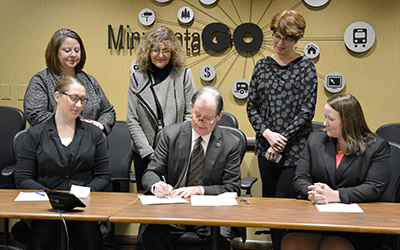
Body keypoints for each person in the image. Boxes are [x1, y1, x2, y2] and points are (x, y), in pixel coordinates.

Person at [281, 93, 391, 250]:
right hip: (315, 216)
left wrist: (336, 196)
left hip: (355, 221)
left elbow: (374, 188)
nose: (325, 123)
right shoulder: (315, 140)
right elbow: (300, 178)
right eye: (325, 117)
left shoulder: (377, 147)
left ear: (347, 121)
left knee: (335, 246)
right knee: (292, 243)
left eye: (330, 119)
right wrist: (311, 192)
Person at [246, 10, 318, 249]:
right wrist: (267, 135)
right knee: (269, 206)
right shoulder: (262, 66)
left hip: (295, 150)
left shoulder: (306, 67)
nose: (280, 43)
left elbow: (307, 112)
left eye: (286, 39)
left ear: (296, 39)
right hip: (265, 147)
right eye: (276, 36)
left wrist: (281, 140)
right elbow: (252, 107)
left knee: (285, 207)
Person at [15, 75, 112, 250]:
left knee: (91, 238)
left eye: (82, 100)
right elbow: (22, 177)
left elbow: (103, 176)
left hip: (83, 204)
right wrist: (52, 196)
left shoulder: (95, 134)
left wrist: (83, 192)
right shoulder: (36, 134)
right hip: (46, 206)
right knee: (43, 235)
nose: (79, 105)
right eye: (74, 98)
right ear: (57, 96)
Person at [139, 86, 241, 250]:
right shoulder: (170, 135)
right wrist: (156, 185)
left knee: (219, 237)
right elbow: (152, 172)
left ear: (219, 116)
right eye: (196, 115)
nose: (200, 122)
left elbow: (232, 187)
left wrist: (199, 190)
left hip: (210, 211)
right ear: (191, 109)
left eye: (207, 118)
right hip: (175, 207)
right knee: (153, 231)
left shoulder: (231, 144)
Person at [127, 24, 195, 191]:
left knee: (177, 198)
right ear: (147, 51)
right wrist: (148, 152)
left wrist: (178, 147)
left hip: (176, 153)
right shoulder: (137, 78)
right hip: (144, 153)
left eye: (166, 50)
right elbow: (132, 119)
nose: (161, 55)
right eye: (155, 50)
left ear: (173, 52)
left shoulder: (184, 75)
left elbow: (190, 115)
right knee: (148, 201)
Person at [24, 28, 116, 135]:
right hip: (52, 143)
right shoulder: (41, 80)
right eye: (67, 50)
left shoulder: (90, 80)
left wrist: (101, 125)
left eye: (77, 50)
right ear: (55, 52)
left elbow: (108, 111)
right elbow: (35, 114)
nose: (73, 54)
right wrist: (76, 124)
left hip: (89, 142)